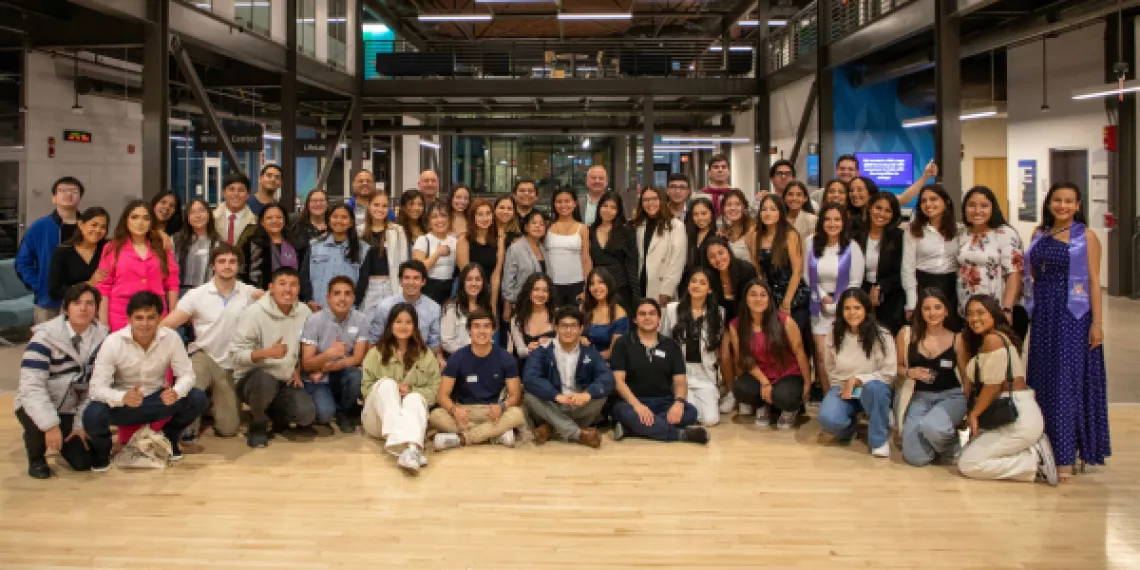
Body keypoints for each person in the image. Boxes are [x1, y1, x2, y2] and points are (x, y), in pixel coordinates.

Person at [1023, 182, 1110, 481]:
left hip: (1073, 315)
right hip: (1044, 314)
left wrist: (1097, 323)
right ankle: (1042, 449)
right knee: (1042, 380)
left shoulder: (1086, 236)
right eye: (1057, 200)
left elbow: (1095, 281)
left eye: (1068, 201)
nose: (1062, 206)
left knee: (1064, 382)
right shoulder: (1039, 234)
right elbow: (1034, 273)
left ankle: (1065, 456)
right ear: (1049, 203)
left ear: (1077, 204)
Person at [83, 291, 207, 469]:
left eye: (151, 317)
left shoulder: (171, 338)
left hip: (157, 400)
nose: (145, 324)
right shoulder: (112, 342)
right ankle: (103, 453)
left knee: (197, 397)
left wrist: (176, 392)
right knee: (92, 414)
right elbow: (96, 388)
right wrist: (122, 397)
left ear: (159, 318)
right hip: (123, 405)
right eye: (139, 318)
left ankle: (169, 437)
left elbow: (187, 375)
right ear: (129, 319)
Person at [957, 294, 1057, 485]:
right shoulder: (988, 339)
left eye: (980, 313)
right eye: (970, 314)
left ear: (993, 314)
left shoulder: (993, 340)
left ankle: (1034, 462)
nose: (974, 318)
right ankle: (1029, 455)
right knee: (971, 453)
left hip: (1018, 415)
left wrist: (975, 414)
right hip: (1009, 414)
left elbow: (993, 385)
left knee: (969, 464)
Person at [162, 243, 258, 439]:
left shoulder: (251, 293)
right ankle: (188, 424)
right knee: (193, 376)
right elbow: (167, 324)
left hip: (233, 364)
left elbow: (277, 305)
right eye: (222, 261)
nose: (227, 266)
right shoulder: (197, 295)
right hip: (204, 355)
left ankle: (214, 407)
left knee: (228, 429)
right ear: (213, 265)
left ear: (239, 266)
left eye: (232, 261)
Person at [15, 283, 107, 478]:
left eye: (90, 303)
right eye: (77, 303)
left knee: (84, 463)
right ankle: (36, 456)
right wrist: (50, 425)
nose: (83, 308)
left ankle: (63, 439)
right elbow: (31, 388)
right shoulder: (44, 338)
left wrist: (79, 425)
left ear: (97, 308)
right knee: (37, 426)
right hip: (36, 402)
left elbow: (95, 388)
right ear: (66, 308)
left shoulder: (104, 340)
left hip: (70, 408)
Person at [229, 267, 314, 448]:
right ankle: (258, 425)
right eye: (282, 284)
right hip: (253, 378)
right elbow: (235, 355)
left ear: (299, 288)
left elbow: (305, 346)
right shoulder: (254, 313)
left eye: (293, 285)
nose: (288, 290)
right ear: (271, 288)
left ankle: (275, 416)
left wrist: (297, 368)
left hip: (286, 378)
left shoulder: (305, 312)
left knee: (306, 415)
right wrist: (267, 353)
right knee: (264, 381)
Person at [611, 299, 707, 444]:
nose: (647, 317)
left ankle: (631, 429)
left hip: (663, 402)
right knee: (623, 413)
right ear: (635, 320)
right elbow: (618, 381)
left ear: (659, 319)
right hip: (631, 403)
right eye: (642, 314)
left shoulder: (672, 346)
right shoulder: (622, 344)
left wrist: (679, 403)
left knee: (690, 412)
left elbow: (680, 382)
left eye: (652, 314)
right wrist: (638, 406)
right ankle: (680, 435)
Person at [360, 302, 441, 474]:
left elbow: (435, 390)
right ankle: (409, 446)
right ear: (390, 325)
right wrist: (393, 393)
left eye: (408, 322)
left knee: (415, 398)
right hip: (377, 421)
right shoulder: (376, 352)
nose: (403, 326)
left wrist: (411, 391)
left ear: (415, 326)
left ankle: (409, 449)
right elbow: (366, 389)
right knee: (387, 384)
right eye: (398, 321)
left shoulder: (425, 355)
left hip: (409, 416)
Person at [430, 308, 525, 450]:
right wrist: (454, 410)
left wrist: (502, 407)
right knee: (436, 415)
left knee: (517, 414)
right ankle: (494, 435)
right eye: (476, 326)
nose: (481, 331)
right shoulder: (457, 357)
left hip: (493, 411)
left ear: (493, 330)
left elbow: (515, 396)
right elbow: (442, 395)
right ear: (469, 330)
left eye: (486, 326)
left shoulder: (506, 358)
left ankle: (461, 439)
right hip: (464, 411)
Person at [816, 288, 896, 458]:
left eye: (857, 308)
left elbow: (889, 373)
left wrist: (858, 379)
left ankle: (878, 441)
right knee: (828, 419)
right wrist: (844, 386)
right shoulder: (833, 334)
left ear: (866, 309)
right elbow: (830, 367)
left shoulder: (882, 335)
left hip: (872, 388)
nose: (852, 313)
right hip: (843, 388)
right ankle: (850, 427)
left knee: (877, 390)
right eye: (847, 308)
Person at [894, 287, 967, 467]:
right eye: (927, 308)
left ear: (946, 310)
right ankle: (938, 442)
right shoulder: (906, 334)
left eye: (937, 307)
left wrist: (969, 407)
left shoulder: (957, 339)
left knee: (932, 426)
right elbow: (896, 368)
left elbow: (966, 377)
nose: (932, 313)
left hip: (951, 395)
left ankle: (951, 447)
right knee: (915, 458)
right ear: (920, 311)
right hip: (919, 397)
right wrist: (910, 372)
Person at [522, 306, 612, 447]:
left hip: (579, 404)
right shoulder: (543, 350)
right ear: (556, 327)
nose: (568, 331)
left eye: (573, 326)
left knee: (600, 396)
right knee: (529, 396)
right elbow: (530, 378)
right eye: (564, 326)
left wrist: (587, 395)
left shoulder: (590, 351)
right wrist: (556, 395)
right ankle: (578, 434)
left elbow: (607, 378)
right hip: (553, 403)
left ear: (581, 329)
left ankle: (551, 427)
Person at [727, 279, 811, 429]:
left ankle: (790, 409)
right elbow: (744, 359)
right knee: (741, 388)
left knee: (783, 396)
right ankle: (763, 405)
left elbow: (800, 353)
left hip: (787, 373)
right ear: (745, 298)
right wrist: (764, 382)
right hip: (759, 373)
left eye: (763, 295)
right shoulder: (736, 325)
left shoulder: (785, 321)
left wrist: (807, 384)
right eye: (753, 295)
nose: (758, 299)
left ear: (769, 298)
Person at [803, 202, 865, 389]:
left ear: (843, 222)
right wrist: (822, 296)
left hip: (845, 308)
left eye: (837, 219)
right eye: (828, 219)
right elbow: (805, 274)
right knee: (822, 355)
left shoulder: (852, 246)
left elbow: (856, 281)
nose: (832, 224)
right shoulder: (810, 242)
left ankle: (849, 392)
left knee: (842, 354)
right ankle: (827, 392)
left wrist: (838, 302)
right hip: (818, 304)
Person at [97, 200, 180, 332]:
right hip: (121, 316)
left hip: (156, 315)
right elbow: (103, 287)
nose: (140, 223)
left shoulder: (162, 247)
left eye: (146, 218)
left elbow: (172, 283)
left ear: (151, 222)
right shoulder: (112, 248)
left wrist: (172, 317)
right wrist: (103, 324)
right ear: (126, 220)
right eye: (134, 217)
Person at [300, 276, 369, 433]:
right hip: (317, 378)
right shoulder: (314, 320)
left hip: (339, 371)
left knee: (356, 377)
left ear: (353, 298)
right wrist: (329, 354)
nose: (342, 298)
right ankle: (334, 408)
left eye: (347, 293)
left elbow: (358, 358)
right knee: (325, 414)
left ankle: (344, 411)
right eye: (337, 293)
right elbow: (307, 363)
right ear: (328, 298)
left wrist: (329, 367)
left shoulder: (361, 320)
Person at [660, 268, 725, 426]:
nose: (696, 285)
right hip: (681, 372)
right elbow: (664, 341)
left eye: (702, 283)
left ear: (709, 290)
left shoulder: (718, 312)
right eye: (693, 281)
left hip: (704, 373)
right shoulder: (672, 309)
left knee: (710, 420)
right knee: (687, 415)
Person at [958, 185, 1026, 337]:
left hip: (998, 310)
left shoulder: (1005, 233)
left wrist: (1007, 309)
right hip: (968, 311)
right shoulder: (962, 233)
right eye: (971, 205)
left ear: (993, 208)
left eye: (984, 206)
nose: (977, 211)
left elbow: (1014, 272)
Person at [17, 176, 83, 323]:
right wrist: (40, 286)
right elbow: (22, 262)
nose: (69, 194)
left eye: (74, 191)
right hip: (48, 302)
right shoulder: (39, 227)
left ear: (80, 197)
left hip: (83, 301)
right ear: (54, 198)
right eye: (63, 191)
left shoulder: (88, 227)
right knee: (47, 344)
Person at [367, 260, 445, 370]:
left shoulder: (434, 308)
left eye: (416, 278)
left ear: (423, 282)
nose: (411, 282)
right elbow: (374, 339)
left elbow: (434, 342)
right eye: (407, 278)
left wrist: (439, 359)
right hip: (389, 360)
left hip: (420, 361)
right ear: (400, 281)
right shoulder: (385, 306)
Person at [753, 194, 810, 341]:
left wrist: (787, 302)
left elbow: (797, 270)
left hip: (793, 295)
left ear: (780, 212)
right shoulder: (756, 236)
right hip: (769, 297)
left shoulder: (790, 235)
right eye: (764, 209)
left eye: (773, 209)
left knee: (793, 341)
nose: (767, 213)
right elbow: (757, 269)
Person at [903, 184, 961, 327]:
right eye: (924, 201)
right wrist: (911, 303)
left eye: (933, 199)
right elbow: (907, 268)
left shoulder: (960, 229)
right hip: (923, 283)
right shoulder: (913, 229)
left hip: (950, 287)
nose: (928, 204)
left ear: (946, 202)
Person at [302, 204, 368, 311]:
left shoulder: (363, 249)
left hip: (348, 311)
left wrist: (354, 304)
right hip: (317, 309)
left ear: (351, 222)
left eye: (344, 217)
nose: (339, 221)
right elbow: (304, 276)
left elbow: (363, 282)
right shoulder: (315, 245)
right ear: (328, 220)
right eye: (335, 216)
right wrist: (308, 300)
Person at [860, 192, 906, 334]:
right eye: (878, 208)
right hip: (861, 294)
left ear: (893, 214)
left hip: (891, 298)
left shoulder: (899, 237)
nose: (882, 214)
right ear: (870, 208)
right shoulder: (856, 234)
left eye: (888, 210)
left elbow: (902, 271)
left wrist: (880, 287)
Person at [633, 187, 686, 305]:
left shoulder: (675, 225)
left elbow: (677, 261)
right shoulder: (638, 225)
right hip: (641, 283)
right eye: (645, 200)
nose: (650, 203)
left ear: (662, 200)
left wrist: (667, 290)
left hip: (662, 287)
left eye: (654, 199)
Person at [356, 192, 408, 312]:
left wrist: (401, 289)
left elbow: (403, 262)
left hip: (390, 285)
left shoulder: (397, 231)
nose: (380, 209)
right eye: (376, 205)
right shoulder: (359, 231)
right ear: (369, 206)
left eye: (384, 206)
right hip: (366, 287)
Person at [589, 192, 639, 314]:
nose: (608, 210)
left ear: (618, 211)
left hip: (621, 289)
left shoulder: (626, 232)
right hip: (598, 291)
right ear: (599, 207)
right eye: (605, 206)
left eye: (613, 207)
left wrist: (636, 297)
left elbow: (631, 265)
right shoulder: (590, 231)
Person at [47, 206, 108, 305]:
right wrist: (88, 284)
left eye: (103, 227)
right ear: (80, 224)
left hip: (104, 307)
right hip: (75, 308)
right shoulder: (63, 252)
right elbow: (54, 292)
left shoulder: (109, 249)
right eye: (94, 225)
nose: (98, 230)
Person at [240, 204, 306, 291]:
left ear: (285, 220)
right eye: (269, 218)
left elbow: (303, 273)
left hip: (291, 294)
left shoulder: (296, 243)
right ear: (262, 222)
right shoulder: (253, 244)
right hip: (260, 295)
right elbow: (243, 272)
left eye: (279, 217)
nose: (275, 221)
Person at [546, 188, 591, 307]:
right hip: (552, 284)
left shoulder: (582, 228)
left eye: (567, 201)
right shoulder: (547, 226)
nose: (563, 205)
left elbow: (586, 259)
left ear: (574, 203)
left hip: (577, 283)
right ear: (554, 204)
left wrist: (587, 286)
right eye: (559, 201)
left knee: (576, 320)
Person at [457, 199, 503, 313]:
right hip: (467, 294)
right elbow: (466, 275)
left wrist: (492, 306)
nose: (485, 218)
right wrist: (472, 305)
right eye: (480, 214)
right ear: (473, 218)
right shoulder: (464, 240)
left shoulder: (499, 240)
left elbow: (496, 276)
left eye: (488, 214)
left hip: (488, 293)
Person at [173, 199, 223, 296]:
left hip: (209, 294)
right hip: (181, 295)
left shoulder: (218, 243)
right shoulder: (176, 240)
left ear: (209, 214)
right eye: (192, 212)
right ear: (187, 217)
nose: (198, 215)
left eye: (202, 211)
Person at [441, 263, 493, 355]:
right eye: (469, 279)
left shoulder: (485, 307)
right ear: (462, 282)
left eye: (478, 279)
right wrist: (470, 353)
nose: (474, 283)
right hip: (459, 358)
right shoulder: (452, 307)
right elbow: (446, 342)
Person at [412, 202, 458, 305]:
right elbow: (417, 270)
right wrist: (438, 253)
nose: (440, 220)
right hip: (428, 290)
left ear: (449, 219)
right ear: (429, 222)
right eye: (434, 217)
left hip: (449, 290)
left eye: (443, 215)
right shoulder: (423, 240)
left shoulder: (454, 241)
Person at [704, 236, 757, 323]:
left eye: (721, 253)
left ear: (728, 251)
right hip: (721, 324)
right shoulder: (708, 277)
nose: (718, 259)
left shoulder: (746, 270)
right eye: (712, 257)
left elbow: (754, 303)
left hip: (747, 321)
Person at [502, 210, 548, 309]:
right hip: (520, 303)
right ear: (526, 227)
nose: (538, 226)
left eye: (541, 224)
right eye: (534, 223)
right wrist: (508, 304)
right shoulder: (516, 248)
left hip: (541, 302)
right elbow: (508, 280)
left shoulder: (543, 248)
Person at [581, 268, 629, 360]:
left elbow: (615, 352)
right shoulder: (583, 308)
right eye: (592, 284)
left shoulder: (619, 313)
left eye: (601, 282)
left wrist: (588, 358)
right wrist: (579, 338)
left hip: (606, 364)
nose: (596, 287)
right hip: (582, 361)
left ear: (609, 284)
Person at [509, 272, 556, 366]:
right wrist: (528, 350)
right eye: (536, 289)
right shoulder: (517, 318)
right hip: (527, 366)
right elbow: (520, 351)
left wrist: (551, 343)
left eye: (545, 290)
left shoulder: (557, 315)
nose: (540, 294)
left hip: (553, 366)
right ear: (529, 291)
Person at [682, 197, 717, 291]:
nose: (700, 218)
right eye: (695, 214)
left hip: (710, 287)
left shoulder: (718, 236)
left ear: (711, 214)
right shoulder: (688, 235)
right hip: (688, 286)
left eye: (704, 213)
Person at [214, 172, 258, 246]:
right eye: (231, 189)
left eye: (241, 190)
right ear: (224, 193)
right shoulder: (210, 219)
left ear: (248, 195)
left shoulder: (256, 222)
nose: (236, 194)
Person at [718, 189, 755, 262]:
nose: (733, 208)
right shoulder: (725, 232)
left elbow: (757, 264)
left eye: (738, 204)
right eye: (728, 205)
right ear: (723, 208)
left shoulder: (752, 230)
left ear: (744, 207)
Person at [397, 189, 427, 256]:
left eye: (420, 204)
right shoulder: (396, 230)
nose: (416, 208)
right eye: (411, 204)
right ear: (403, 207)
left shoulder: (428, 228)